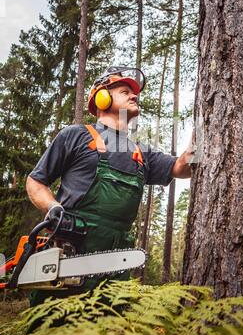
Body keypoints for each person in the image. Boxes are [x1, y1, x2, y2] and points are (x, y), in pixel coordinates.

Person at [26, 66, 193, 305]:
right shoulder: (76, 135)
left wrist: (203, 132)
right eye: (125, 91)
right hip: (69, 256)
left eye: (135, 93)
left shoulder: (141, 151)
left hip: (116, 268)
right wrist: (52, 207)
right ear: (102, 97)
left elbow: (181, 168)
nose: (134, 95)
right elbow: (36, 180)